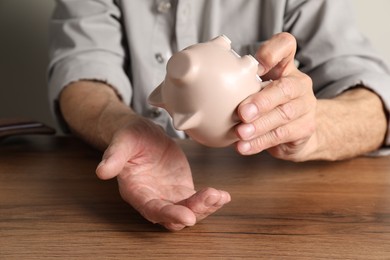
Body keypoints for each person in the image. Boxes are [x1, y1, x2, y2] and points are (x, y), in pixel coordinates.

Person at [48, 0, 390, 231]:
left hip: (272, 210)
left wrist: (314, 128)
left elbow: (377, 101)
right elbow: (82, 70)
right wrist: (121, 125)